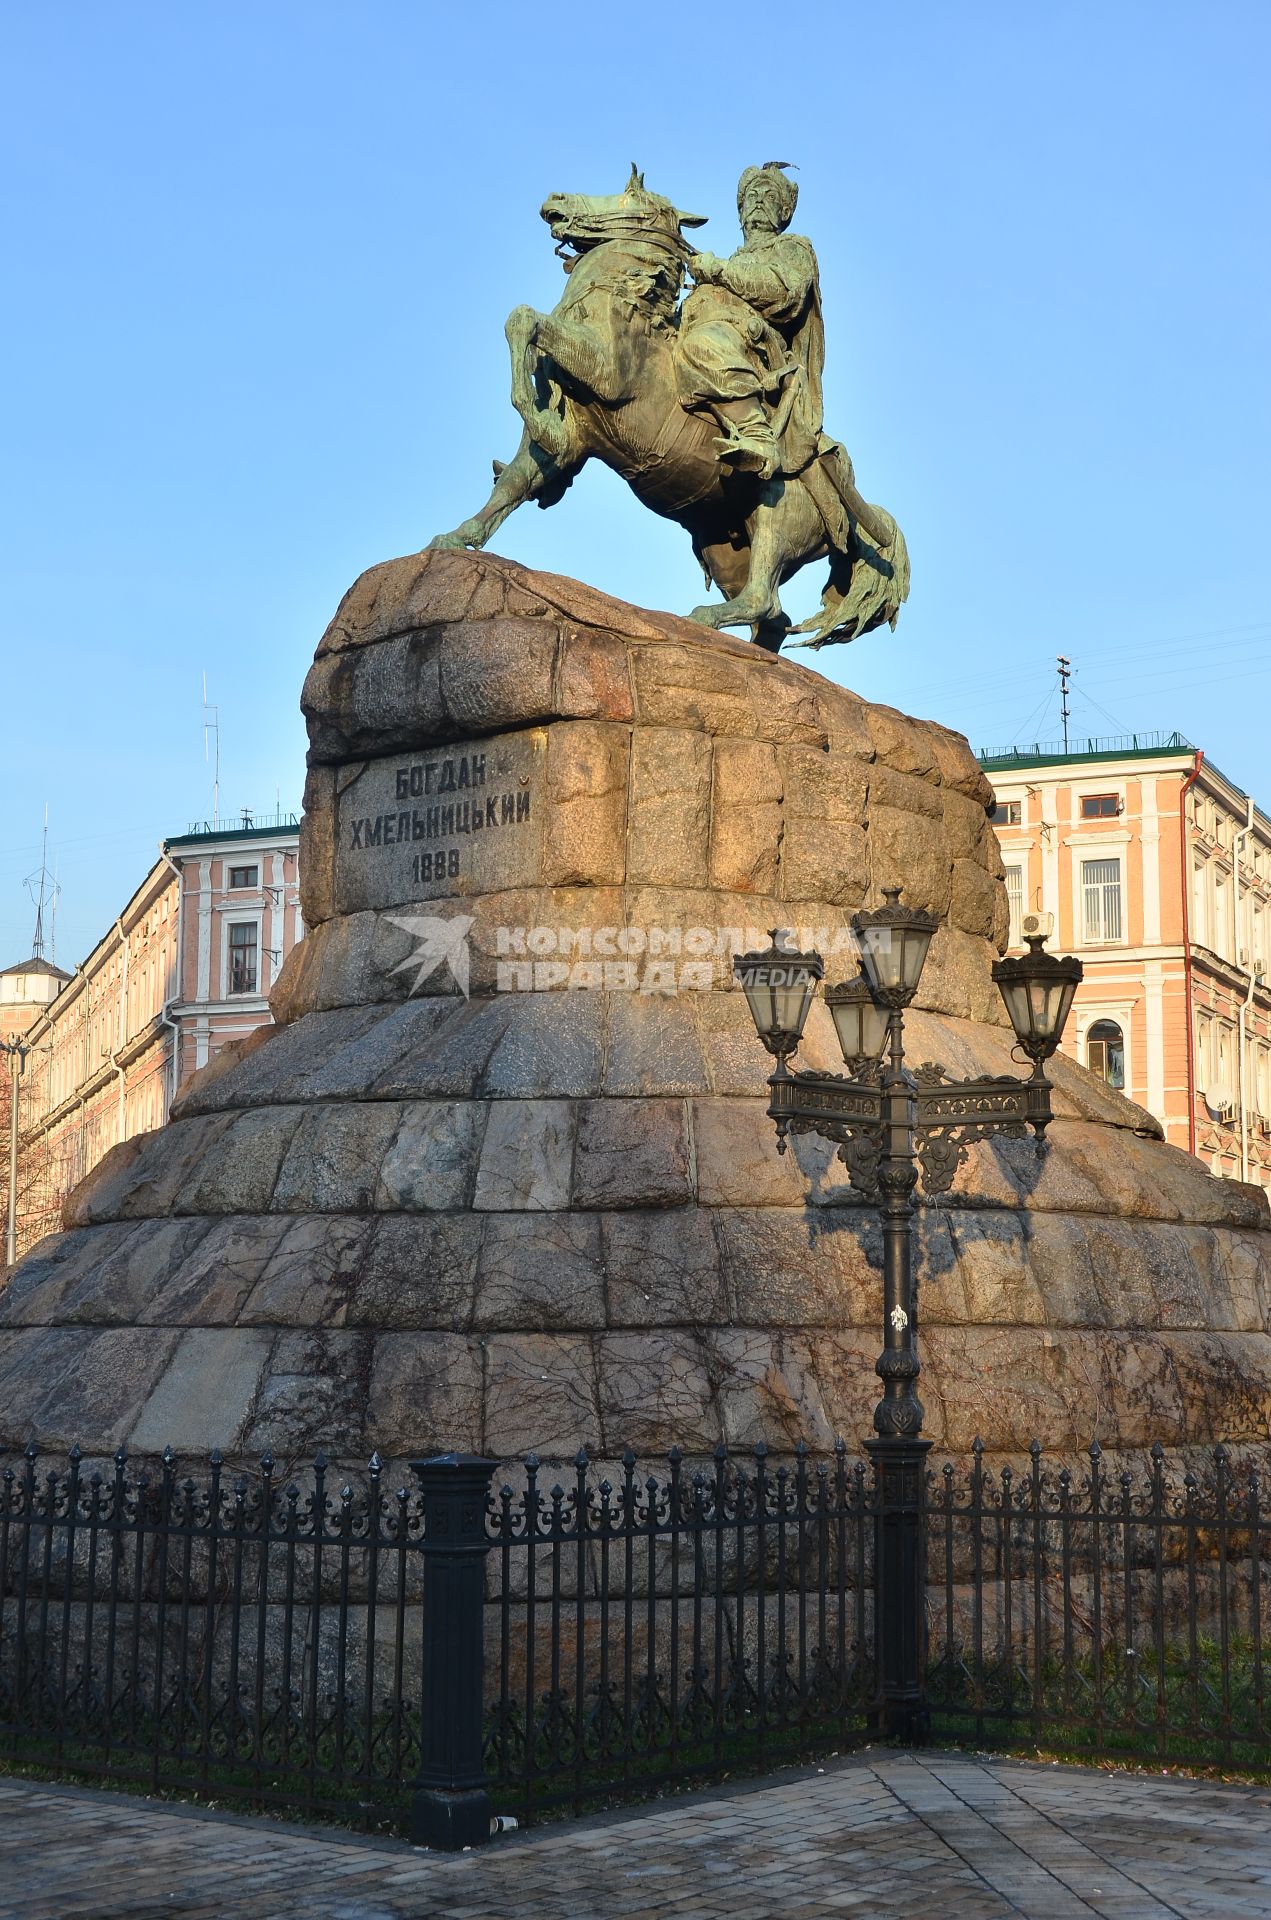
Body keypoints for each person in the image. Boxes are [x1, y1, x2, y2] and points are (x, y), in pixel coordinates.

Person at [676, 162, 824, 482]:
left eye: (769, 196)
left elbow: (781, 291)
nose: (758, 200)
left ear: (784, 211)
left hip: (755, 343)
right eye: (751, 196)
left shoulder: (793, 247)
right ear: (741, 209)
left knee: (705, 345)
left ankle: (758, 435)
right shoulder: (733, 261)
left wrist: (717, 270)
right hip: (717, 326)